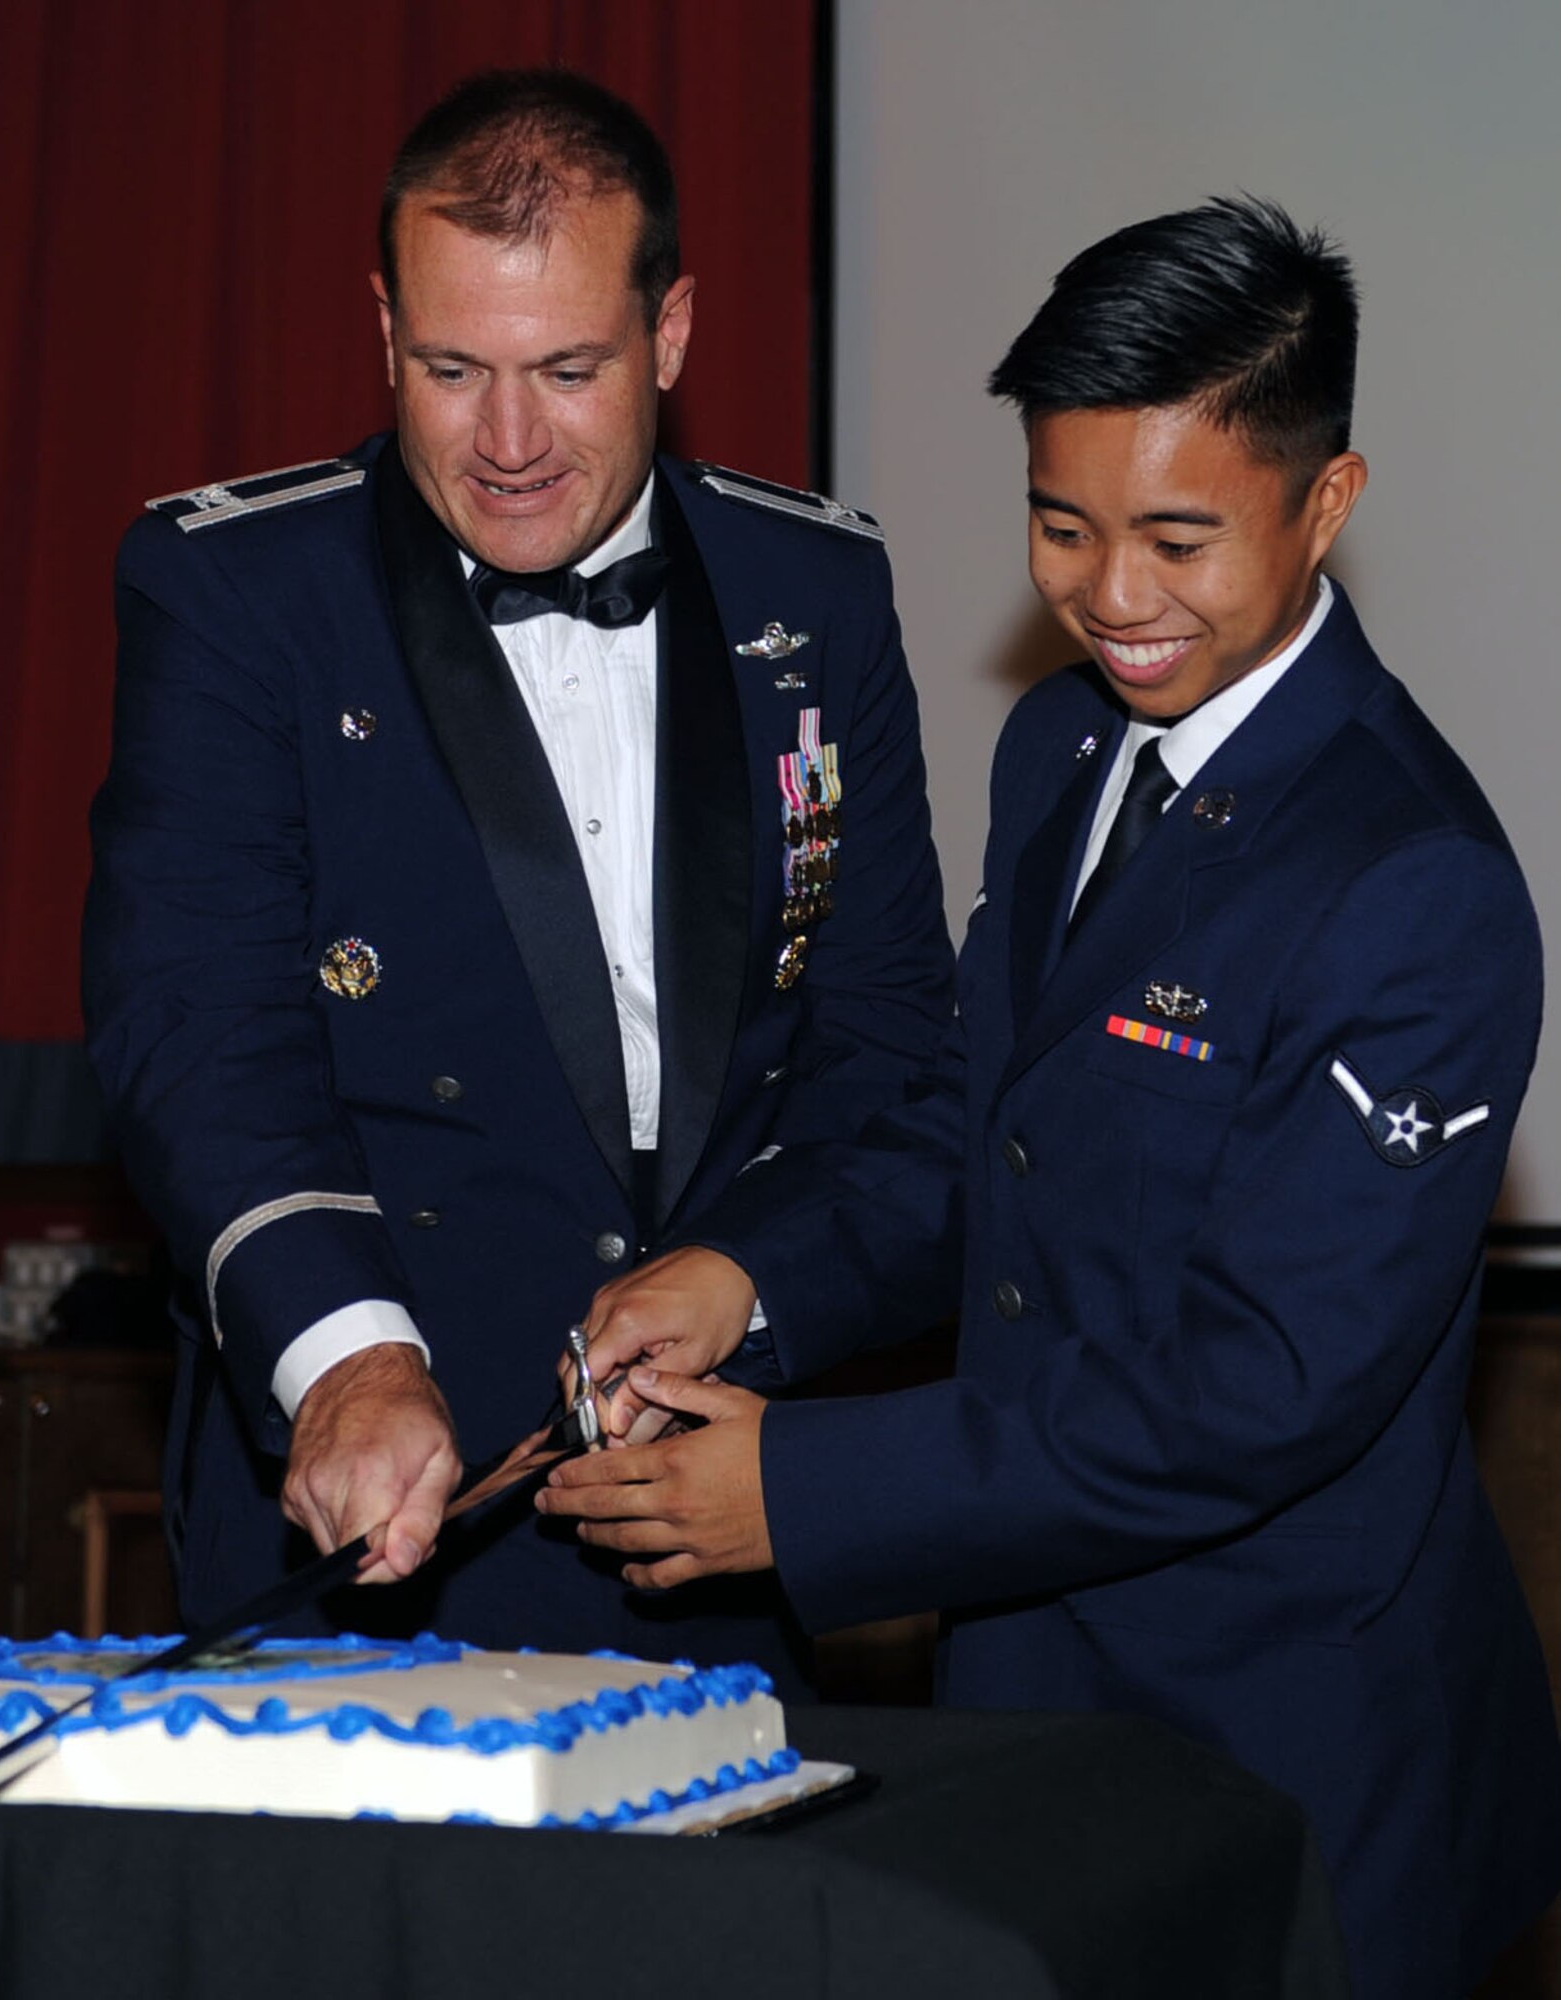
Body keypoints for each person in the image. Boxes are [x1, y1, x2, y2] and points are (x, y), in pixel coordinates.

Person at [540, 196, 1561, 1993]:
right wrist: (757, 1283)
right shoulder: (1062, 741)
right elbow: (986, 1139)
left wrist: (815, 1493)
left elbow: (1264, 1385)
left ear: (1324, 505)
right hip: (1027, 1705)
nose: (1110, 595)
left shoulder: (1414, 881)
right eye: (1059, 525)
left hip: (1296, 1756)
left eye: (1179, 536)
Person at [80, 69, 953, 1684]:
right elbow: (200, 1039)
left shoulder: (811, 588)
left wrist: (755, 1280)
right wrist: (344, 1362)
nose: (505, 441)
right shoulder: (239, 593)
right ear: (381, 328)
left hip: (719, 1510)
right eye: (449, 367)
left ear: (671, 334)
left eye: (567, 370)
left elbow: (893, 1055)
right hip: (374, 1517)